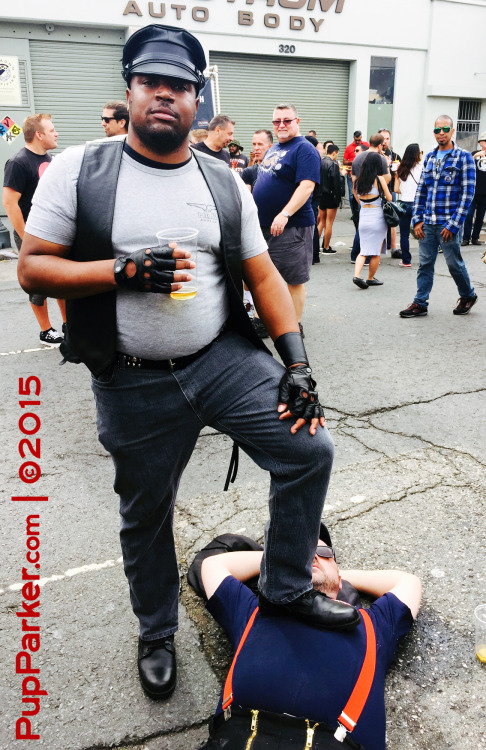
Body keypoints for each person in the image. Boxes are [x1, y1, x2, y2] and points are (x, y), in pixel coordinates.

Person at [17, 23, 355, 702]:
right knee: (147, 512)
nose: (165, 95)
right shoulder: (80, 168)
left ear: (197, 100)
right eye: (152, 83)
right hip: (131, 379)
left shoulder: (223, 180)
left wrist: (296, 362)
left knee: (308, 451)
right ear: (130, 90)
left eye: (181, 86)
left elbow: (261, 276)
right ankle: (156, 630)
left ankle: (287, 586)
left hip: (220, 360)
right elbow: (32, 269)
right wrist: (121, 270)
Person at [198, 528, 422, 750]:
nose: (311, 554)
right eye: (302, 549)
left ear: (340, 580)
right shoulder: (252, 611)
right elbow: (212, 565)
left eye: (323, 552)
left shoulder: (374, 624)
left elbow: (407, 582)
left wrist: (326, 572)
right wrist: (283, 559)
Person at [252, 104, 321, 337]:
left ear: (297, 121)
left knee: (293, 279)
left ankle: (294, 326)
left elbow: (307, 185)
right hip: (264, 226)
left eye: (287, 120)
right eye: (277, 121)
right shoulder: (275, 148)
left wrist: (284, 213)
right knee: (266, 276)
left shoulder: (304, 149)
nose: (281, 125)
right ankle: (263, 320)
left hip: (292, 226)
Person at [400, 115, 477, 317]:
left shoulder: (464, 157)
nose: (440, 133)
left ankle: (468, 295)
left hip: (448, 223)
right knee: (425, 264)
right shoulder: (430, 158)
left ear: (452, 131)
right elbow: (421, 191)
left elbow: (468, 194)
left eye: (445, 129)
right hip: (428, 223)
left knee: (453, 264)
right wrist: (417, 219)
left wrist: (453, 224)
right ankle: (420, 303)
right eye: (437, 130)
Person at [3, 113, 66, 345]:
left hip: (54, 232)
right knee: (39, 283)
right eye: (51, 130)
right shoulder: (18, 162)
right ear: (39, 135)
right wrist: (27, 237)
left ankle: (68, 326)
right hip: (31, 234)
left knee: (61, 279)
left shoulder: (51, 159)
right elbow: (9, 203)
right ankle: (45, 331)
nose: (56, 133)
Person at [352, 152, 392, 289]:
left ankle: (357, 275)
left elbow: (357, 199)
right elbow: (389, 197)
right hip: (377, 217)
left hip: (364, 217)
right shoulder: (379, 179)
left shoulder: (357, 182)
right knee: (375, 251)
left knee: (363, 250)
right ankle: (370, 278)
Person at [350, 133, 390, 262]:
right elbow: (386, 178)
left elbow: (354, 180)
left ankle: (356, 254)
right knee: (374, 229)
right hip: (376, 199)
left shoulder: (357, 158)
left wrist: (359, 200)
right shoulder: (381, 158)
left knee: (363, 227)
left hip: (361, 196)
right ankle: (369, 257)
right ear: (379, 145)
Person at [394, 143, 423, 267]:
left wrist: (406, 191)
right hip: (419, 204)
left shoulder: (399, 169)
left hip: (404, 204)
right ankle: (424, 259)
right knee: (422, 233)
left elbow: (396, 189)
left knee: (404, 234)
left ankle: (406, 260)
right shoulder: (422, 168)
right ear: (417, 154)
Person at [378, 129, 401, 258]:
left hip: (390, 189)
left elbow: (402, 173)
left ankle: (393, 247)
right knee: (379, 220)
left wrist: (396, 168)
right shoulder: (375, 155)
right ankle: (378, 249)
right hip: (377, 191)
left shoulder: (395, 156)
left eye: (387, 138)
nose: (385, 141)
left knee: (393, 219)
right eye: (383, 138)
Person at [462, 131, 486, 247]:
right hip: (473, 191)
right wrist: (476, 156)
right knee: (469, 215)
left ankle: (475, 238)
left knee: (480, 217)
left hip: (484, 192)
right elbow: (466, 164)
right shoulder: (474, 154)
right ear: (480, 142)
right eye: (484, 141)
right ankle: (465, 238)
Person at [317, 144, 342, 255]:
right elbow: (335, 183)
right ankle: (326, 247)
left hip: (321, 195)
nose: (337, 156)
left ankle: (314, 245)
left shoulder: (321, 162)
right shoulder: (333, 164)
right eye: (337, 154)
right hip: (331, 196)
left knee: (321, 222)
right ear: (334, 153)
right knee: (329, 222)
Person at [343, 131, 370, 219]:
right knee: (352, 194)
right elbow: (344, 161)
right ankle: (354, 213)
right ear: (353, 138)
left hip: (363, 173)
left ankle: (360, 212)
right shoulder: (349, 147)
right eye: (356, 140)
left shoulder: (365, 145)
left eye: (359, 140)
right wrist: (354, 161)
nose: (357, 141)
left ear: (361, 137)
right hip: (351, 173)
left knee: (362, 192)